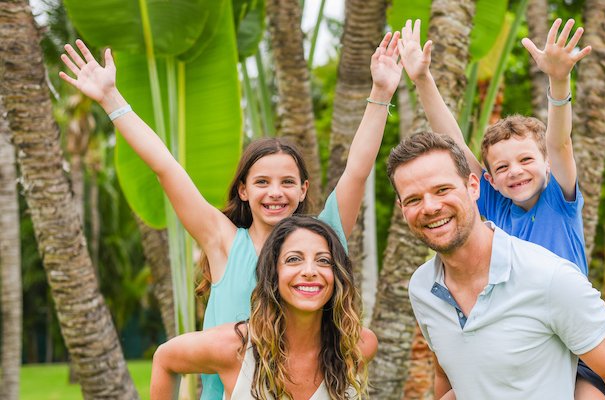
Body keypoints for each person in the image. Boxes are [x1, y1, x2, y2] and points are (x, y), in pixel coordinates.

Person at [59, 32, 402, 399]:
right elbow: (166, 168)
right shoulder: (223, 241)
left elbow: (357, 171)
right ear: (243, 190)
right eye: (262, 182)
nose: (275, 192)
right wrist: (111, 98)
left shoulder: (322, 239)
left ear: (303, 190)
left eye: (287, 182)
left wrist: (381, 93)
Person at [398, 18, 605, 398]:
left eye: (526, 159)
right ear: (487, 179)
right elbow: (451, 141)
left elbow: (560, 142)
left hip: (573, 346)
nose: (515, 172)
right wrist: (422, 79)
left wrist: (559, 82)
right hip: (512, 337)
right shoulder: (491, 202)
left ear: (545, 164)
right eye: (502, 167)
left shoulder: (557, 198)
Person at [386, 132, 605, 399]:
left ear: (473, 186)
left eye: (442, 190)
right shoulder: (422, 288)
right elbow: (448, 375)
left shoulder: (549, 277)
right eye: (414, 199)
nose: (430, 207)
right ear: (401, 207)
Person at [150, 216, 378, 400]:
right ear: (273, 274)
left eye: (323, 261)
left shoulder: (357, 345)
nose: (310, 270)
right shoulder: (233, 346)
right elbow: (165, 359)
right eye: (293, 259)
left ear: (336, 275)